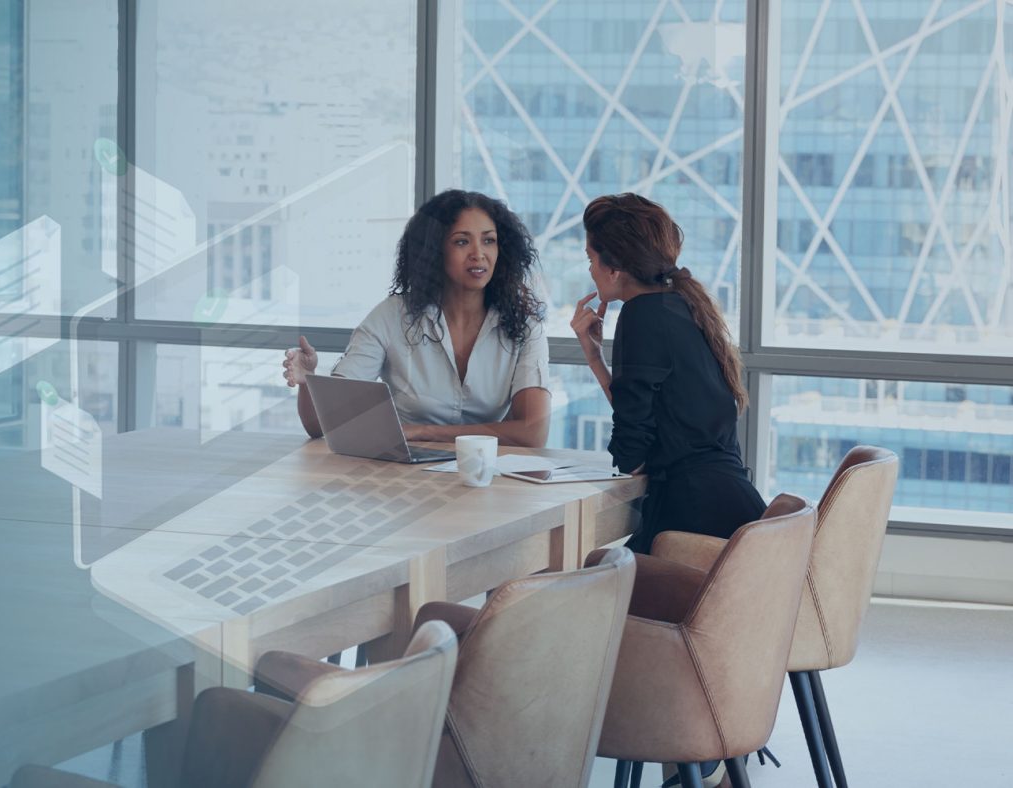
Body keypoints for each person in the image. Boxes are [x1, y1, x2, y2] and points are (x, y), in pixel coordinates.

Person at [571, 193, 765, 554]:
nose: (590, 270)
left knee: (588, 586)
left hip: (692, 520)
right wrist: (596, 358)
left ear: (613, 269)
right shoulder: (682, 305)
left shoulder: (640, 315)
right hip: (730, 510)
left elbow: (633, 455)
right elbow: (651, 423)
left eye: (590, 259)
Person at [282, 190, 550, 448]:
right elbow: (325, 424)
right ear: (435, 250)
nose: (478, 253)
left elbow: (533, 432)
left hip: (486, 476)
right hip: (402, 475)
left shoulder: (524, 327)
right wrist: (308, 381)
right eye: (461, 241)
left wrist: (425, 432)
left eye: (489, 240)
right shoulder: (391, 316)